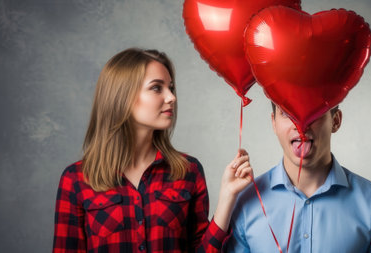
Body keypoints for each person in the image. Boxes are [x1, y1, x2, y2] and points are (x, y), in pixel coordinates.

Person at [53, 48, 253, 252]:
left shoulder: (188, 170)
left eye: (171, 88)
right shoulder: (76, 179)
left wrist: (228, 196)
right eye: (157, 88)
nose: (171, 97)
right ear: (123, 96)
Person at [224, 104, 371, 252]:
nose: (300, 125)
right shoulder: (245, 202)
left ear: (336, 121)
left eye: (314, 111)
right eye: (287, 113)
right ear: (274, 123)